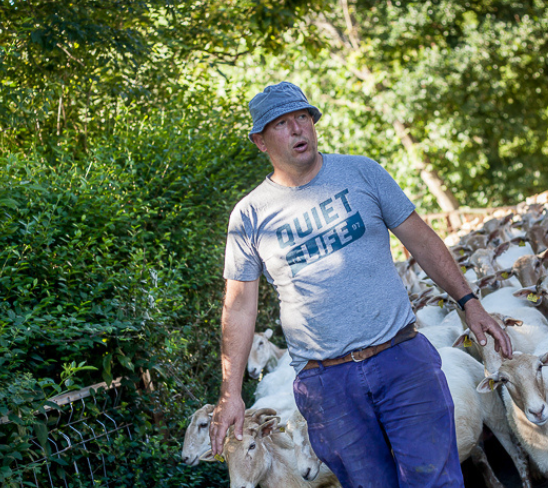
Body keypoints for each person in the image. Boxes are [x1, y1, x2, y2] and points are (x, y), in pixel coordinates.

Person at [209, 81, 512, 487]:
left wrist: (470, 302)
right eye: (282, 124)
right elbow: (240, 304)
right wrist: (231, 392)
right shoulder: (249, 217)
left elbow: (421, 239)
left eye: (303, 117)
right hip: (327, 383)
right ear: (260, 141)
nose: (298, 129)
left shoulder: (362, 172)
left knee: (434, 480)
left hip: (400, 358)